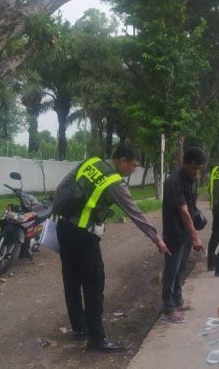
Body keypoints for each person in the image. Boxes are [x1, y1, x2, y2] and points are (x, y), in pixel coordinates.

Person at [53, 144, 168, 352]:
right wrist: (156, 237)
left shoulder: (91, 162)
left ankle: (80, 327)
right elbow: (135, 213)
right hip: (84, 235)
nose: (133, 170)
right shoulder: (115, 182)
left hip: (64, 228)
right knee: (94, 283)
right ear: (122, 160)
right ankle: (97, 339)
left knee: (71, 279)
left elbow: (63, 186)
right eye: (133, 166)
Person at [161, 147, 207, 323]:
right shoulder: (174, 182)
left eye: (199, 169)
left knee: (182, 269)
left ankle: (178, 300)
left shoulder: (191, 180)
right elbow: (183, 212)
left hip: (187, 232)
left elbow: (192, 207)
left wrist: (195, 228)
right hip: (174, 233)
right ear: (185, 163)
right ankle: (169, 307)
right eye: (194, 168)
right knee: (171, 271)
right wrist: (195, 237)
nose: (197, 172)